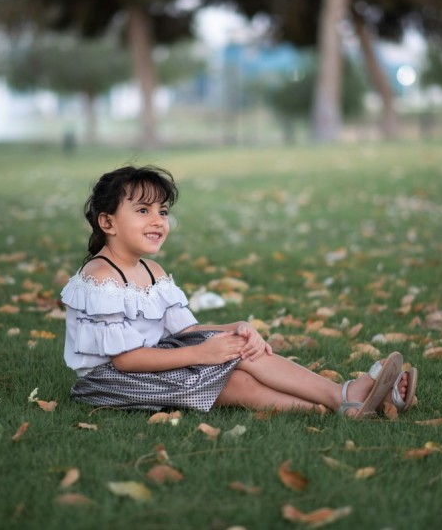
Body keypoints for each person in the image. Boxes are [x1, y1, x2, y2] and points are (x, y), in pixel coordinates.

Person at [61, 165, 417, 417]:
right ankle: (346, 399)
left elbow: (182, 332)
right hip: (111, 381)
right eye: (143, 210)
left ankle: (349, 402)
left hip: (153, 361)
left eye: (163, 211)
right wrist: (203, 354)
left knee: (240, 351)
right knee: (232, 383)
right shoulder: (100, 278)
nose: (158, 220)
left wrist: (233, 328)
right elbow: (126, 359)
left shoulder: (152, 271)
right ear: (107, 222)